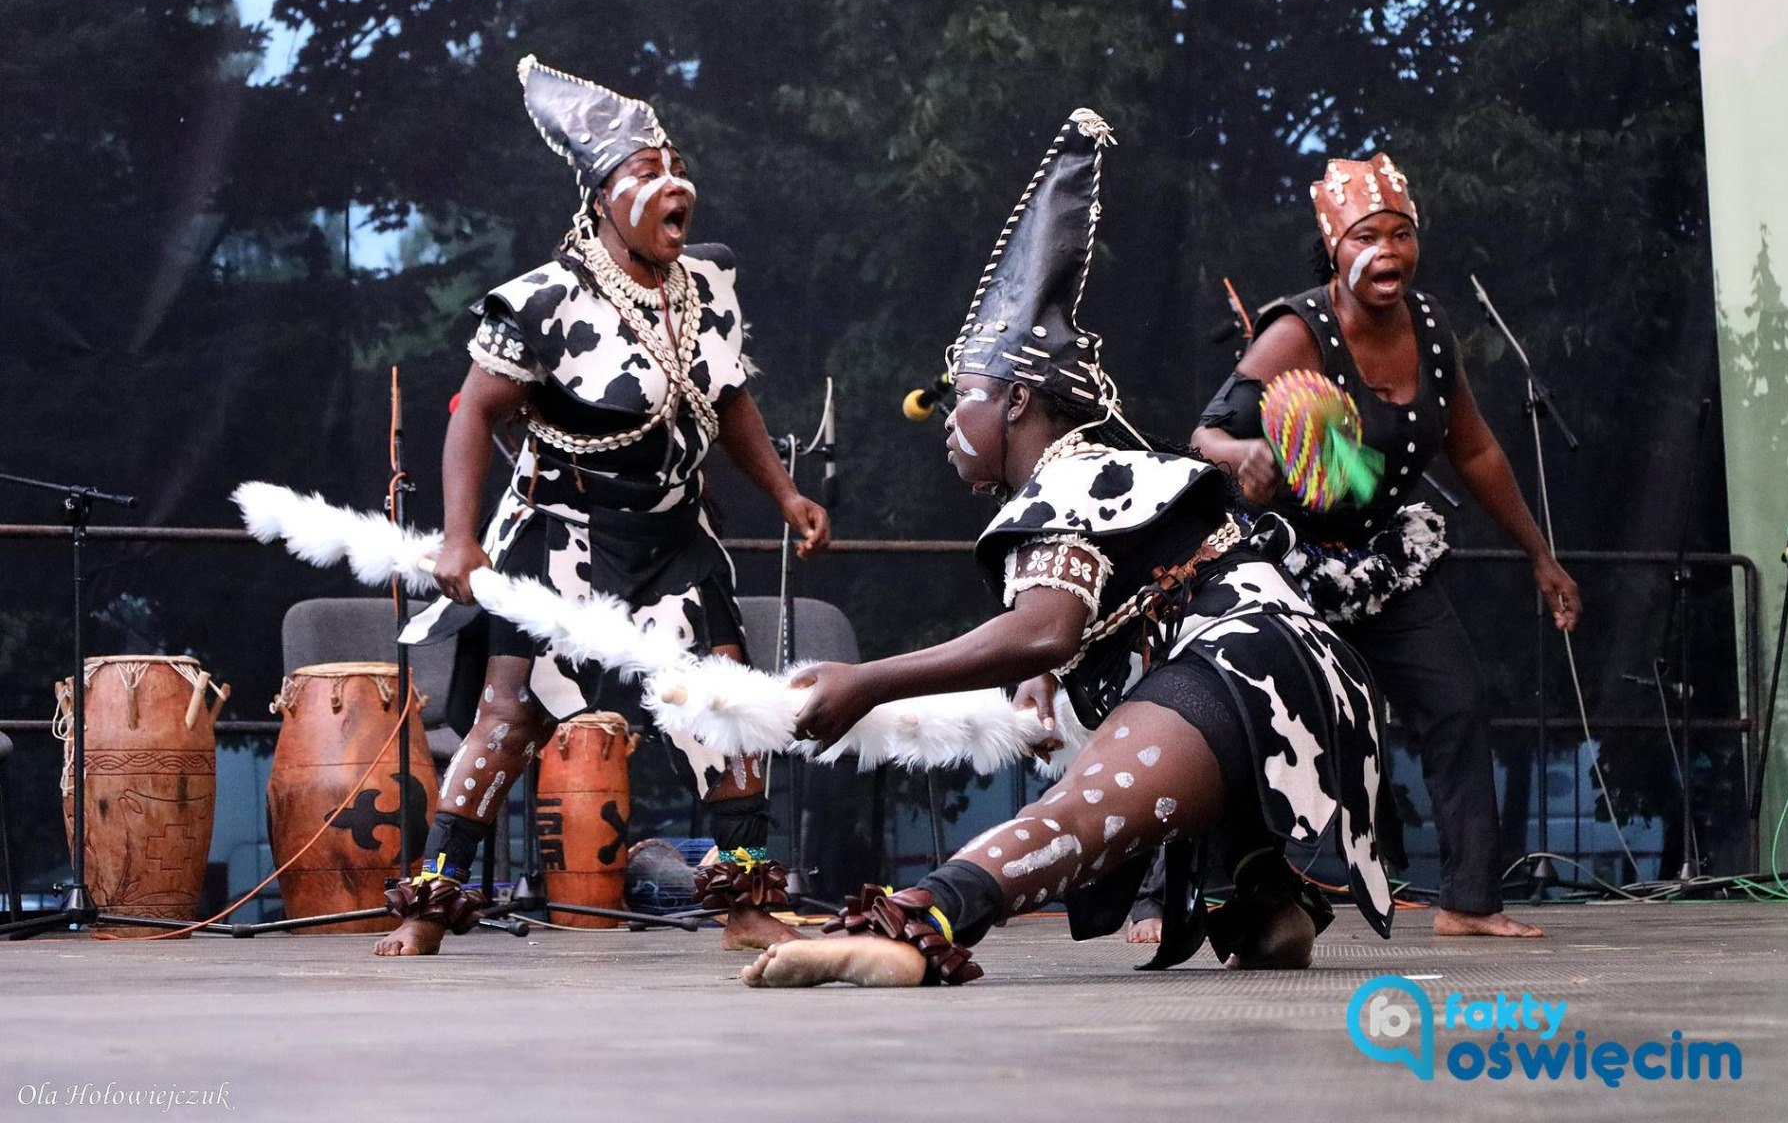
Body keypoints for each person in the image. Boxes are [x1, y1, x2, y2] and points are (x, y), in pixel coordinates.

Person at [737, 110, 1394, 989]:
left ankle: (914, 926)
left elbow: (1043, 631)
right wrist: (1047, 675)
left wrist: (868, 681)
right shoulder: (1099, 475)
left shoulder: (1067, 477)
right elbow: (1087, 619)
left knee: (1077, 811)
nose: (948, 423)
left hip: (1241, 668)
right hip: (1305, 678)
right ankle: (1268, 897)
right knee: (1166, 803)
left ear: (1014, 402)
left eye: (962, 394)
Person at [379, 55, 831, 957]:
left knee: (720, 700)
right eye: (645, 172)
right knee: (512, 717)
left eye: (675, 167)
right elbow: (473, 415)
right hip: (561, 539)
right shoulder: (543, 301)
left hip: (673, 538)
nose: (674, 185)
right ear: (598, 199)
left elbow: (727, 397)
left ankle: (742, 905)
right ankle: (428, 905)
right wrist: (460, 538)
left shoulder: (707, 291)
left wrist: (782, 492)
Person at [1189, 153, 1580, 939]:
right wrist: (1243, 457)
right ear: (1334, 245)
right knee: (1248, 721)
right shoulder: (1296, 331)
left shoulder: (1431, 331)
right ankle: (1189, 893)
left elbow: (1473, 453)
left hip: (1382, 559)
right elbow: (1204, 434)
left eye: (1401, 234)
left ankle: (1469, 902)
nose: (1388, 252)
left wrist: (1540, 554)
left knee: (1456, 703)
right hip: (1289, 565)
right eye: (1367, 235)